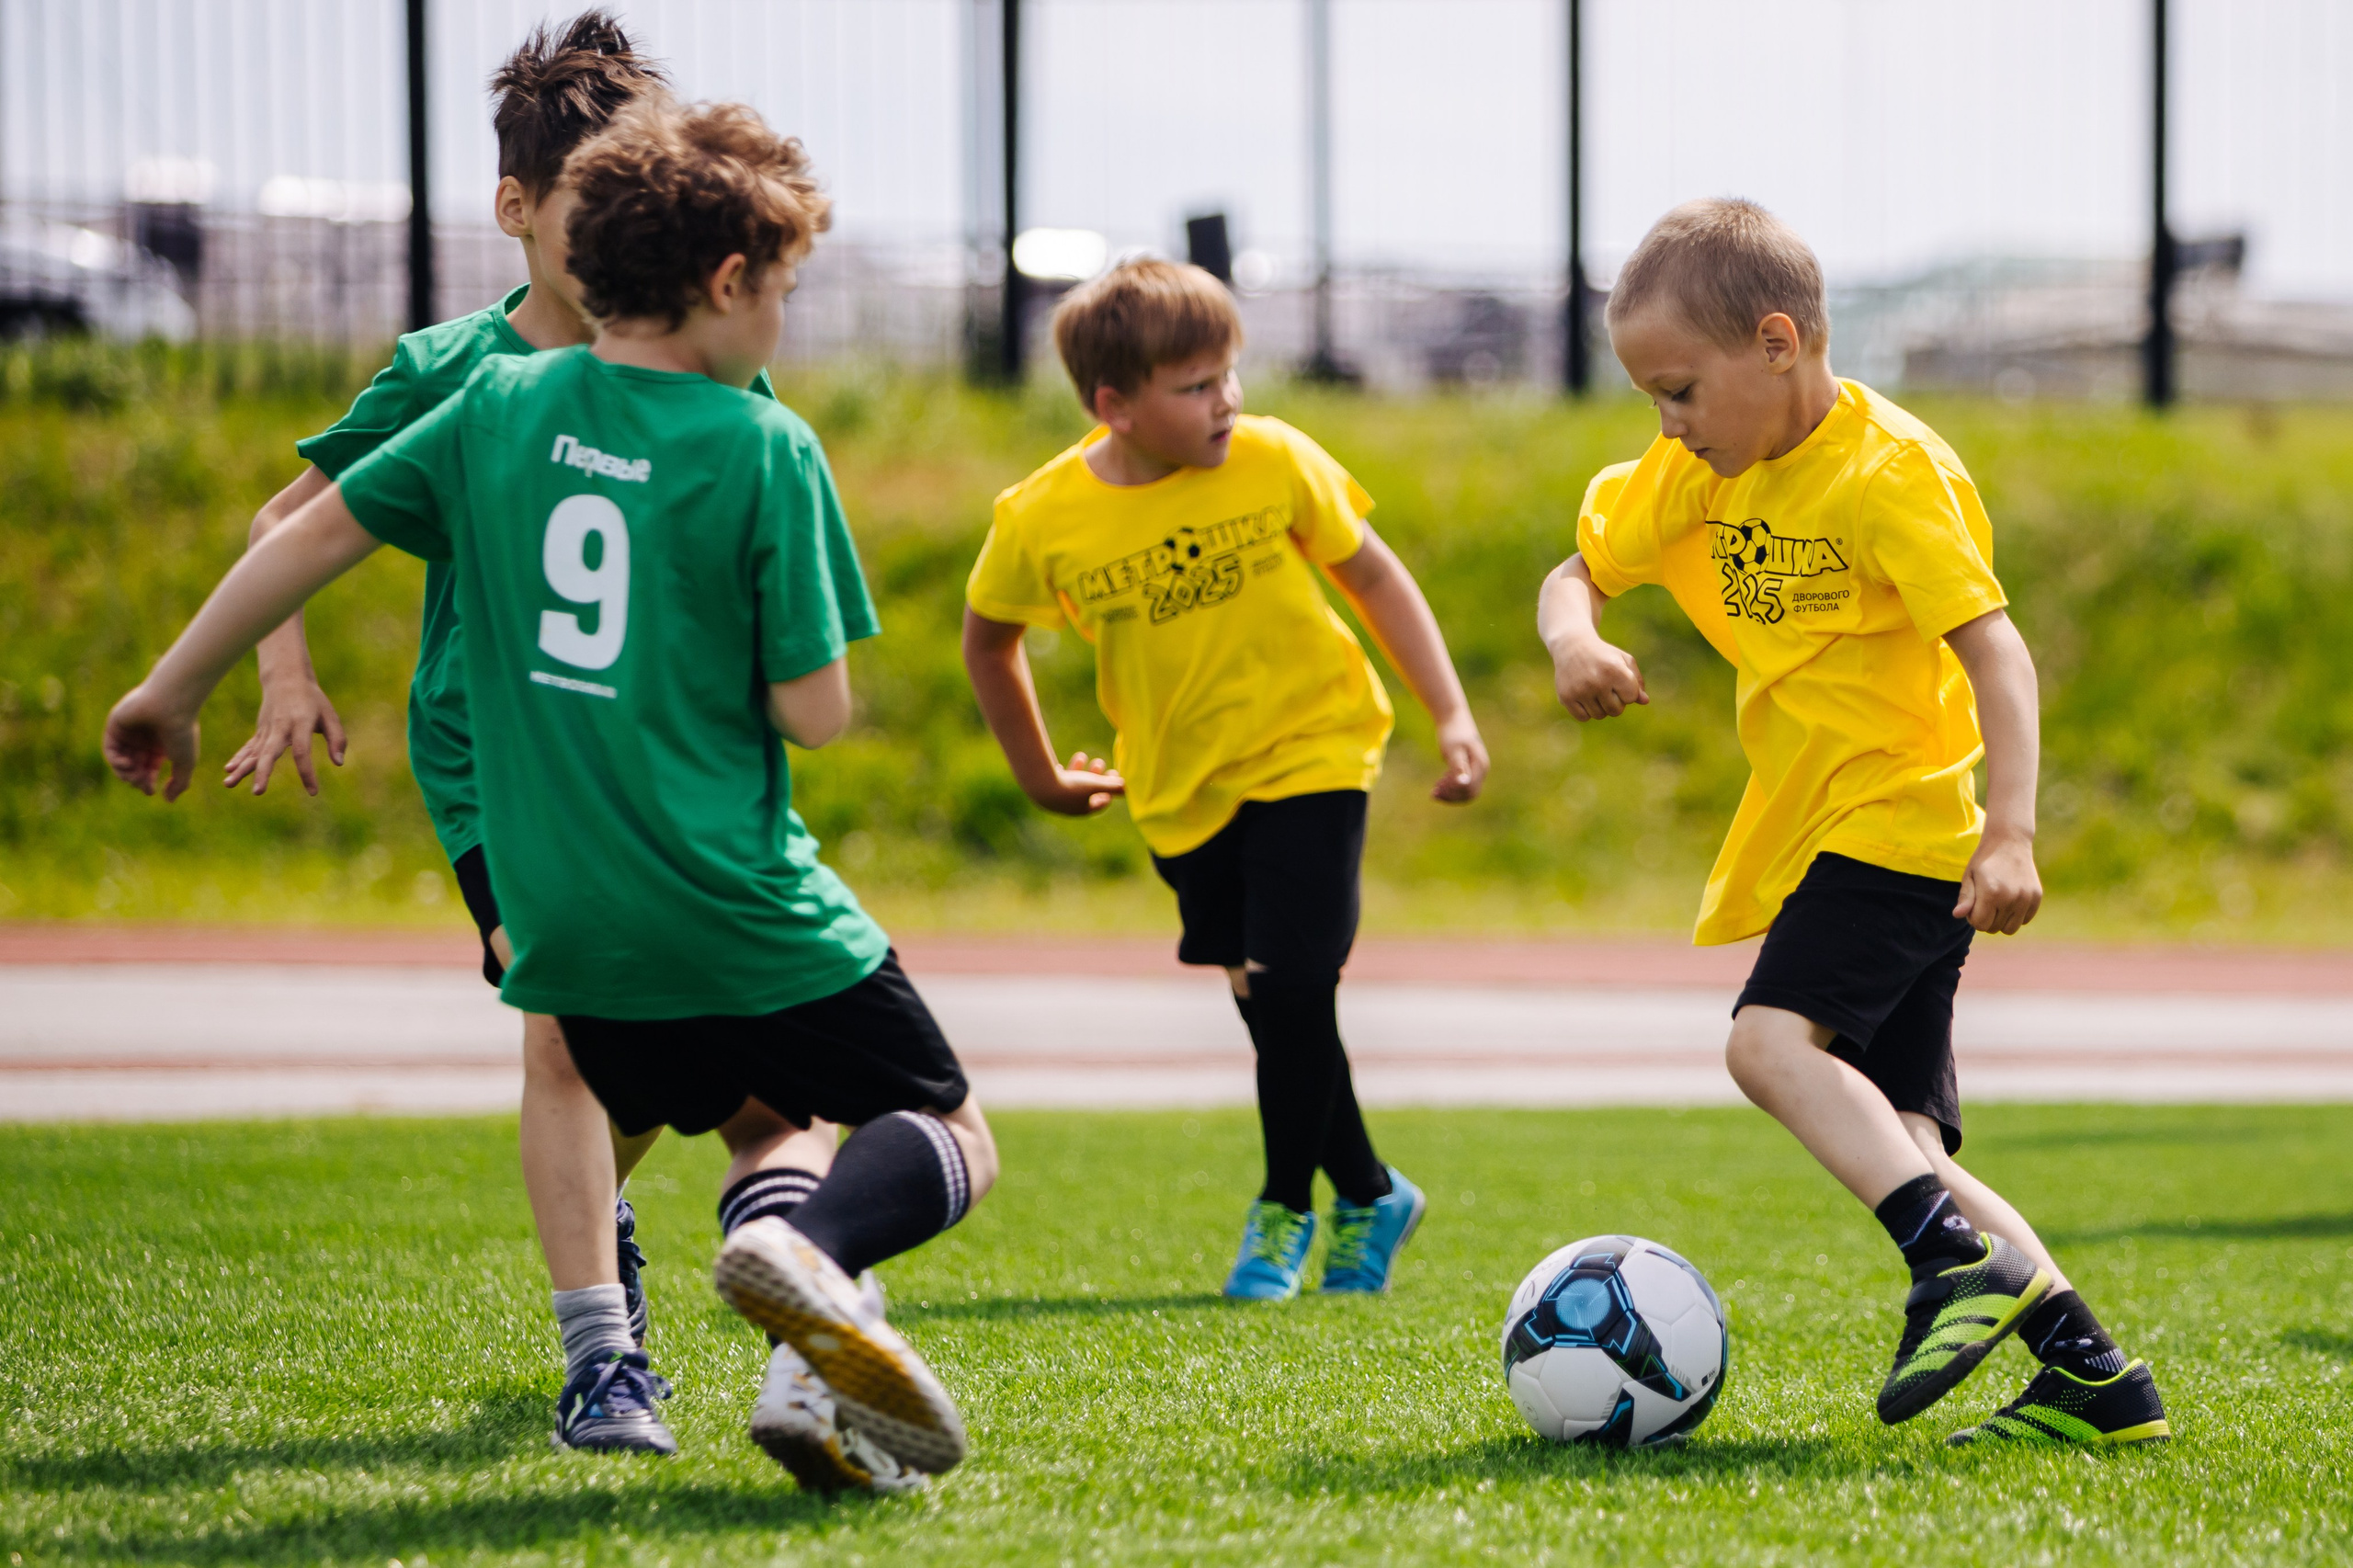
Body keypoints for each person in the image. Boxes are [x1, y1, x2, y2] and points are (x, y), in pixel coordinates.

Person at [102, 98, 991, 1492]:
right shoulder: (766, 447)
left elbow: (311, 532)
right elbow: (814, 716)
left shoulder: (496, 404)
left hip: (567, 925)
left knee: (746, 1110)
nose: (785, 323)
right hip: (737, 893)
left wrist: (170, 687)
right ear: (724, 284)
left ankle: (782, 1366)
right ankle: (815, 1263)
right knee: (944, 1126)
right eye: (786, 290)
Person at [216, 11, 842, 1449]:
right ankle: (602, 1358)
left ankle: (603, 1206)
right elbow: (288, 521)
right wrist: (280, 675)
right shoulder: (453, 371)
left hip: (657, 772)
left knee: (662, 1063)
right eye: (592, 202)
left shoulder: (711, 367)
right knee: (562, 1021)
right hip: (498, 769)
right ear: (519, 209)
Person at [1537, 198, 2167, 1448]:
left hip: (1905, 821)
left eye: (1680, 391)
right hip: (1829, 829)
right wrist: (1574, 636)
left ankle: (1955, 1268)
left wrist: (2013, 829)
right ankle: (2097, 1379)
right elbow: (1578, 569)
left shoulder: (1891, 472)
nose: (1666, 424)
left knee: (1766, 1047)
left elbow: (1997, 652)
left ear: (1780, 343)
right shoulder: (1690, 477)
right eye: (1652, 401)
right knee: (1912, 1142)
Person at [961, 258, 1488, 1302]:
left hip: (1314, 750)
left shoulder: (1274, 459)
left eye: (1230, 372)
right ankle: (1373, 1189)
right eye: (1195, 384)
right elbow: (989, 641)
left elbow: (1372, 574)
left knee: (1294, 985)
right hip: (1176, 789)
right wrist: (1038, 774)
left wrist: (1452, 709)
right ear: (1113, 405)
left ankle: (1285, 1209)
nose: (1228, 400)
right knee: (1272, 1009)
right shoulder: (1041, 517)